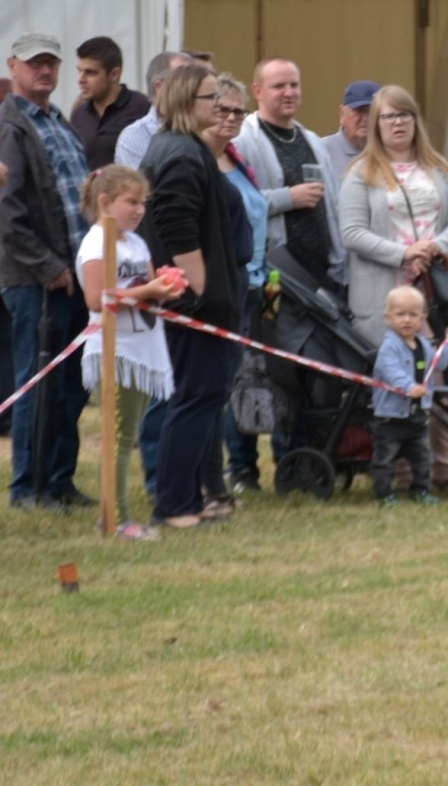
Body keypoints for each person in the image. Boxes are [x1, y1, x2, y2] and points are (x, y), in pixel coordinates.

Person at [339, 84, 448, 487]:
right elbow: (352, 232)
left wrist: (435, 247)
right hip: (387, 297)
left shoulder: (440, 169)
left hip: (437, 294)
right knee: (398, 384)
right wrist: (403, 253)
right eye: (388, 117)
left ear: (416, 120)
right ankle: (399, 471)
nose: (397, 123)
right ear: (376, 125)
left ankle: (446, 469)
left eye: (404, 115)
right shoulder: (360, 174)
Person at [139, 63, 245, 528]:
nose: (219, 105)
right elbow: (174, 220)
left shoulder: (185, 146)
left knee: (201, 397)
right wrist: (199, 285)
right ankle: (175, 504)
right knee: (194, 398)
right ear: (186, 102)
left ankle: (192, 497)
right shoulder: (180, 153)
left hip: (203, 298)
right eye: (210, 97)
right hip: (195, 301)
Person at [1, 32, 94, 510]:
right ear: (13, 66)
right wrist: (50, 267)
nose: (44, 70)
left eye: (51, 63)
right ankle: (27, 488)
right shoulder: (10, 128)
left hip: (75, 277)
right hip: (37, 280)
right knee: (36, 384)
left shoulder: (59, 120)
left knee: (70, 387)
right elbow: (8, 215)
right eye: (35, 62)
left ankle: (59, 480)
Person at [75, 165, 179, 539]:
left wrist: (164, 286)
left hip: (142, 344)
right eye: (131, 202)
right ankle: (116, 518)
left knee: (127, 433)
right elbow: (96, 299)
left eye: (142, 202)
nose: (139, 210)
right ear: (105, 202)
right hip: (117, 349)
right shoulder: (96, 243)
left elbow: (147, 285)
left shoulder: (136, 242)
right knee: (119, 437)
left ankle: (117, 515)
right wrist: (149, 291)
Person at [206, 75, 273, 496]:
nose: (231, 118)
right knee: (221, 383)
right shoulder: (200, 160)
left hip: (254, 283)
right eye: (222, 110)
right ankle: (220, 473)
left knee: (245, 379)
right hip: (221, 288)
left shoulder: (236, 157)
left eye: (237, 111)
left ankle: (243, 468)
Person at [235, 57, 345, 287]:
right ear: (257, 91)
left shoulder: (313, 140)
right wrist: (288, 198)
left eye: (294, 85)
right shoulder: (242, 141)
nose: (289, 93)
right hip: (274, 276)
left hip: (322, 275)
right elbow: (236, 203)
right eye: (279, 86)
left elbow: (333, 206)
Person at [370, 285, 448, 506]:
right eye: (400, 314)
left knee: (422, 457)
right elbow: (391, 371)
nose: (407, 320)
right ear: (388, 317)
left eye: (413, 315)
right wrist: (409, 387)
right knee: (385, 459)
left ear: (423, 317)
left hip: (417, 416)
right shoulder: (389, 347)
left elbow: (438, 364)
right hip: (390, 417)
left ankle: (421, 490)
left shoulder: (423, 344)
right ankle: (384, 494)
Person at [70, 36, 150, 170]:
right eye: (79, 71)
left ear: (114, 74)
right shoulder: (78, 116)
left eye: (90, 73)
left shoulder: (142, 108)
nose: (81, 79)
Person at [113, 51, 190, 168]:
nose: (193, 88)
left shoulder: (203, 127)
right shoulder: (135, 137)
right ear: (159, 87)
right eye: (184, 82)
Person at [323, 79, 378, 180]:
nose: (366, 118)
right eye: (359, 111)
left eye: (372, 112)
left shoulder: (391, 152)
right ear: (342, 114)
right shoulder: (322, 151)